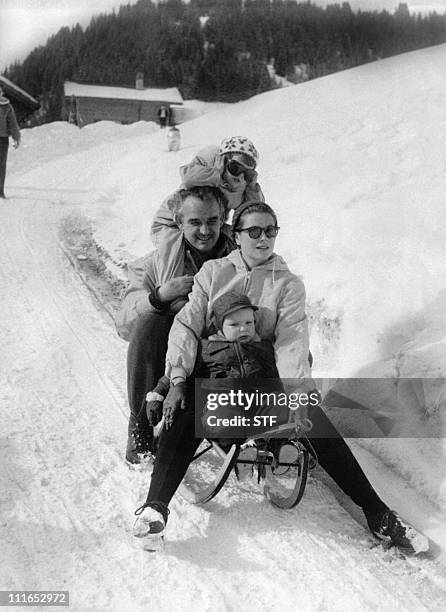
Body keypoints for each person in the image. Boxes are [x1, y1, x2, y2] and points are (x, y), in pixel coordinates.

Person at [133, 202, 429, 555]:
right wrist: (177, 379)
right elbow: (186, 326)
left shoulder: (286, 284)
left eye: (270, 231)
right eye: (253, 231)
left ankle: (379, 514)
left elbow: (291, 340)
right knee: (184, 410)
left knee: (314, 420)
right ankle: (155, 510)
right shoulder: (212, 273)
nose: (263, 238)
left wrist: (297, 393)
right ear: (237, 235)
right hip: (216, 378)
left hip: (260, 384)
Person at [115, 186, 235, 464]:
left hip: (218, 343)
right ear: (179, 223)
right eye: (195, 222)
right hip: (171, 350)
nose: (205, 230)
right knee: (149, 321)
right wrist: (160, 297)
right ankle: (141, 425)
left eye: (212, 221)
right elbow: (124, 325)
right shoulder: (156, 263)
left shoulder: (238, 257)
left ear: (223, 219)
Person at [0, 84, 20, 199]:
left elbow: (12, 124)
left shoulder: (7, 106)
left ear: (2, 92)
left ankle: (0, 191)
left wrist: (16, 137)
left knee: (1, 165)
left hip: (2, 139)